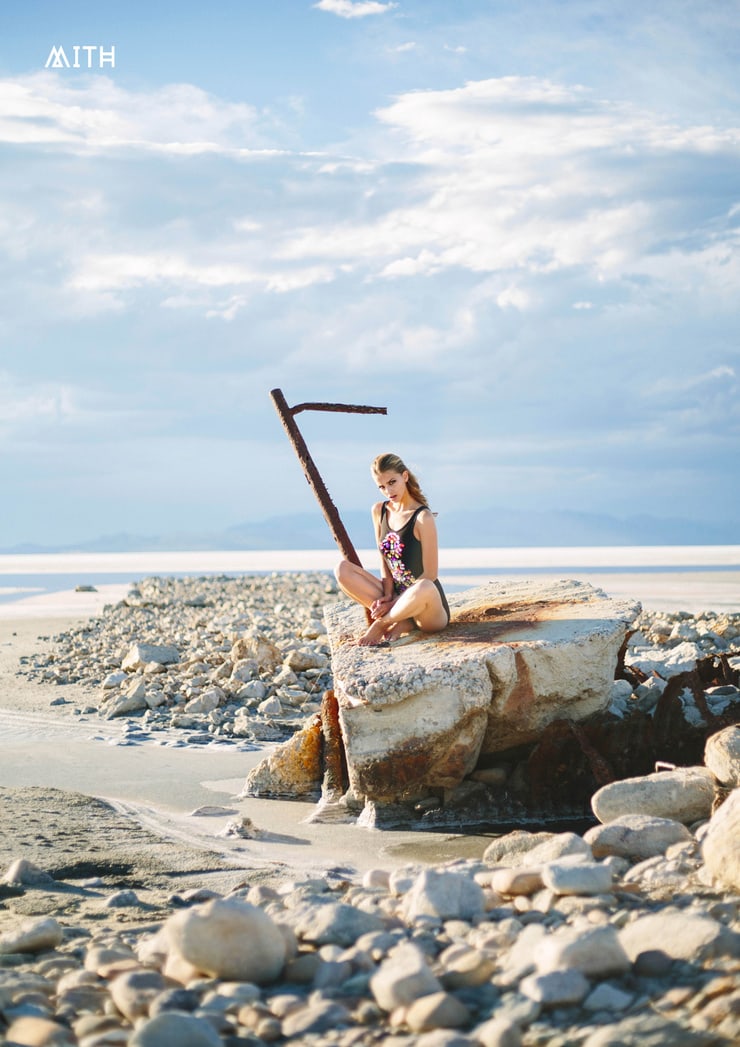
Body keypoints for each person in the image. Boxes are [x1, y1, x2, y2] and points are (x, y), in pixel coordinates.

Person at [335, 452, 451, 646]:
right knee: (342, 570)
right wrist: (388, 595)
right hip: (395, 596)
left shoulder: (423, 518)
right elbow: (384, 559)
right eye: (381, 486)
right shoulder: (379, 511)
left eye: (392, 482)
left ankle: (384, 622)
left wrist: (393, 603)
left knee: (425, 586)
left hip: (425, 606)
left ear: (404, 476)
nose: (388, 491)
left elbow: (430, 575)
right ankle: (403, 620)